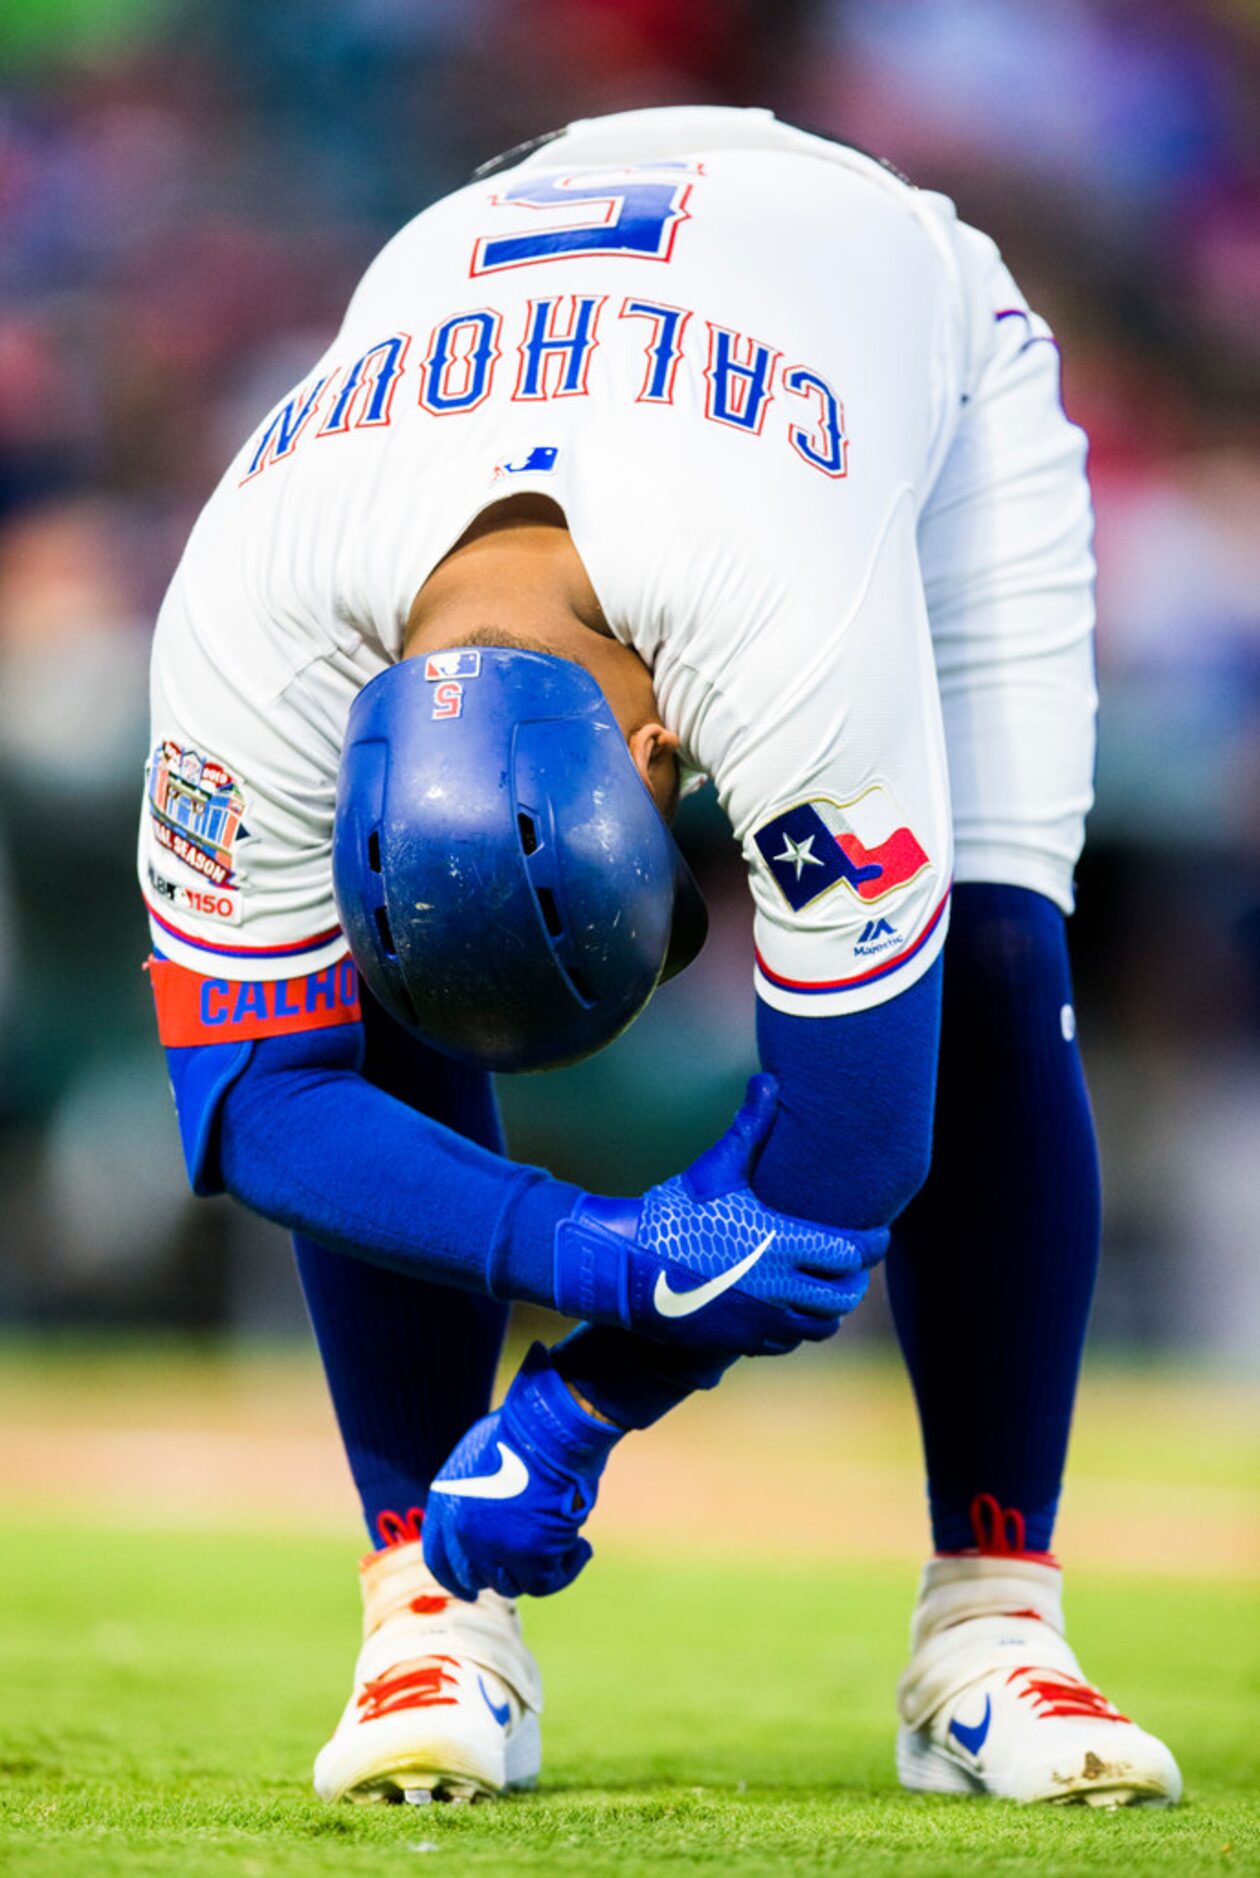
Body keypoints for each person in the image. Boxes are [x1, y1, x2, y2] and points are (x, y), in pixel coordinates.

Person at [138, 105, 1180, 1810]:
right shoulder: (249, 627)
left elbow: (857, 1143)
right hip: (551, 313)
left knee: (987, 966)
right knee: (354, 998)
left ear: (657, 765)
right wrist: (598, 1249)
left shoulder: (781, 606)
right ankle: (425, 1607)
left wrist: (575, 1408)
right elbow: (254, 1088)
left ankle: (994, 1628)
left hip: (900, 355)